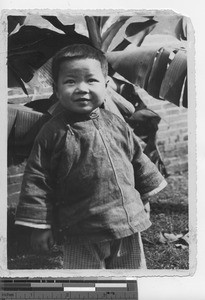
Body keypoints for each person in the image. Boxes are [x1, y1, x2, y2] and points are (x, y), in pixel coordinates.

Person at [15, 44, 167, 269]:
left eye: (91, 80)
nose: (81, 88)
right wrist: (40, 225)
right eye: (70, 81)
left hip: (125, 221)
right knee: (85, 284)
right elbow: (37, 180)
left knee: (130, 278)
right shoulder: (52, 132)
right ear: (56, 90)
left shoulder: (116, 123)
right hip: (80, 228)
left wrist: (144, 197)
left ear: (106, 86)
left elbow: (137, 160)